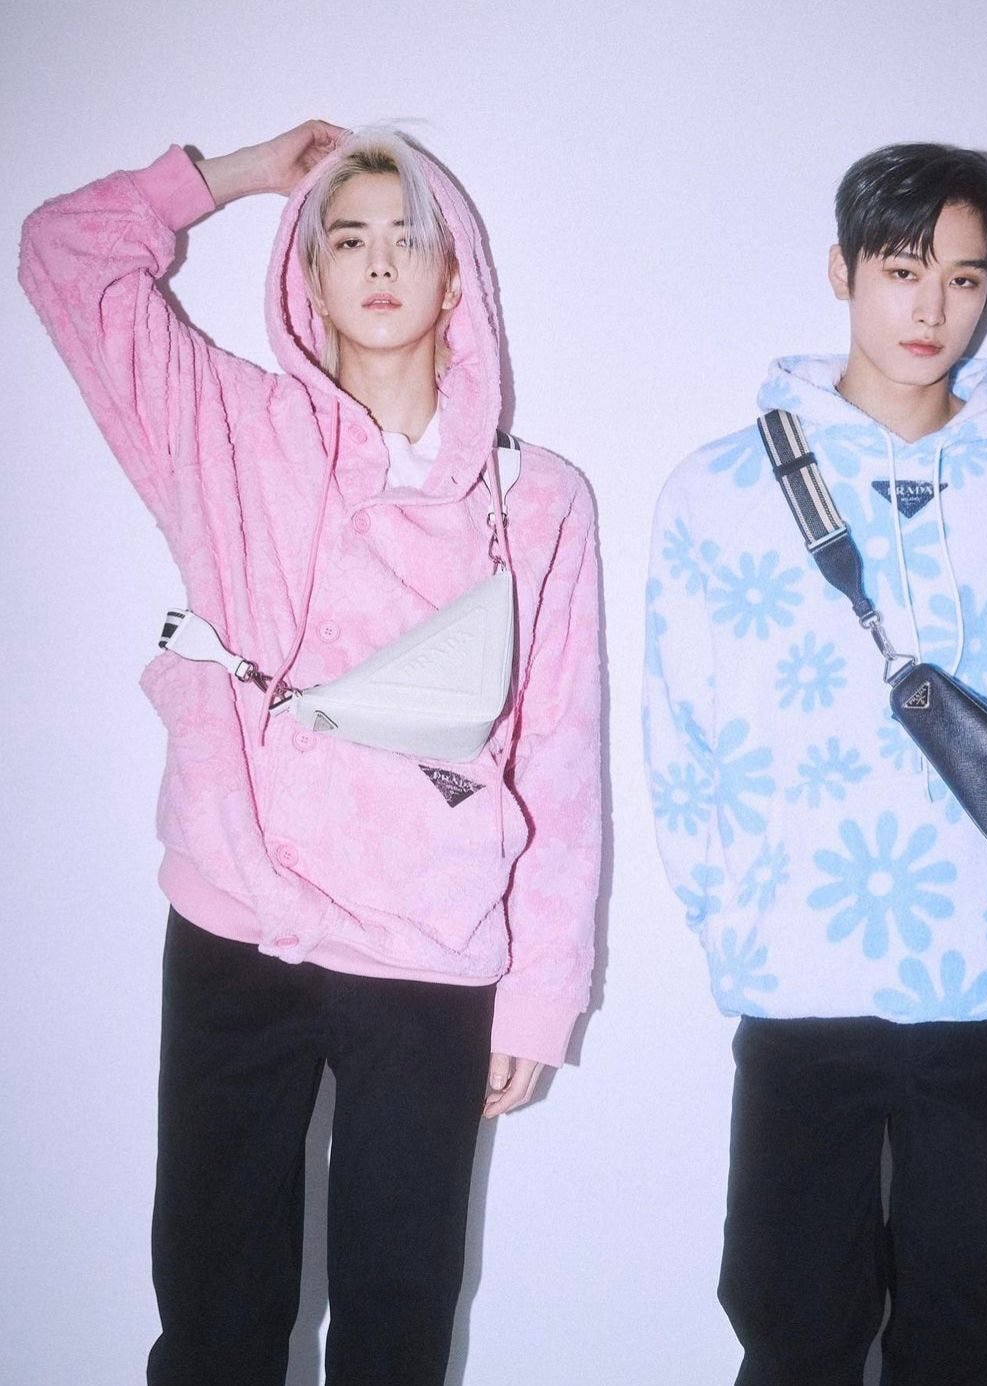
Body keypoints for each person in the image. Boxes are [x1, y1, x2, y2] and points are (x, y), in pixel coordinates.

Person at [20, 120, 601, 1385]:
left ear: (457, 276)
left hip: (428, 942)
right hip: (240, 919)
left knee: (399, 1321)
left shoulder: (537, 499)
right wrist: (233, 176)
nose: (380, 264)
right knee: (215, 1311)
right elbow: (64, 252)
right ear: (308, 275)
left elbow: (559, 753)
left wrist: (539, 992)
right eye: (348, 239)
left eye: (410, 239)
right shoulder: (226, 426)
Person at [643, 143, 987, 1384]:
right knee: (791, 1328)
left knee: (965, 1333)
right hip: (802, 974)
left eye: (966, 278)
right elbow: (680, 725)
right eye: (904, 270)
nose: (933, 309)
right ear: (842, 269)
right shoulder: (722, 489)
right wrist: (730, 908)